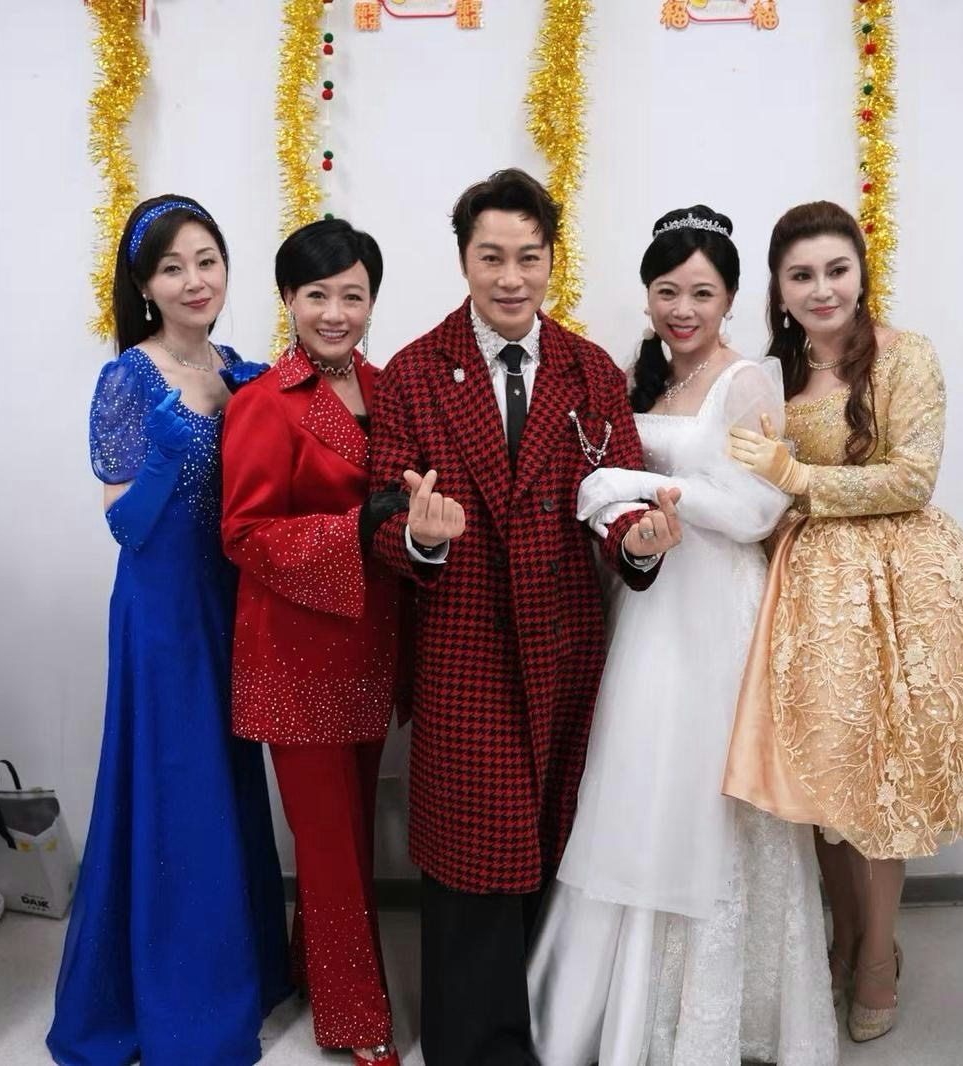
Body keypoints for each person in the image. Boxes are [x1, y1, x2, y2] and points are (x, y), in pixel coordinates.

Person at [723, 200, 963, 1043]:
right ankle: (843, 937)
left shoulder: (906, 355)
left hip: (897, 590)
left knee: (884, 787)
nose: (822, 288)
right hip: (807, 594)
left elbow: (913, 478)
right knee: (820, 782)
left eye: (836, 270)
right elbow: (756, 485)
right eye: (802, 275)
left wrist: (798, 477)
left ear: (861, 271)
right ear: (778, 287)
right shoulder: (773, 372)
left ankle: (878, 956)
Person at [364, 167, 682, 1065]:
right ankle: (469, 1047)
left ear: (551, 259)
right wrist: (418, 535)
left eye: (528, 257)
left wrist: (639, 543)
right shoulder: (416, 372)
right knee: (472, 855)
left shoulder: (590, 370)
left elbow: (616, 496)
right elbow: (383, 507)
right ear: (463, 259)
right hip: (464, 648)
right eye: (491, 257)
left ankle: (544, 1031)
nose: (511, 278)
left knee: (555, 845)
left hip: (566, 646)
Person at [527, 205, 838, 1065]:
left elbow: (757, 510)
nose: (683, 309)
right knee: (637, 774)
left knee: (708, 787)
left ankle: (715, 1014)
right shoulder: (640, 378)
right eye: (668, 291)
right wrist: (620, 498)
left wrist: (637, 483)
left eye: (702, 293)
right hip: (648, 600)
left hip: (717, 608)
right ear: (647, 296)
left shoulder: (749, 383)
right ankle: (615, 1010)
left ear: (731, 298)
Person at [48, 194, 289, 1065]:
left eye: (207, 261)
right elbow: (126, 525)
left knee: (229, 776)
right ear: (145, 286)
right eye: (173, 268)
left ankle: (243, 966)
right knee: (179, 785)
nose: (195, 281)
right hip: (163, 611)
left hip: (234, 600)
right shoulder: (130, 378)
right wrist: (161, 453)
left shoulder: (239, 368)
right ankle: (183, 1000)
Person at [219, 218, 405, 1066]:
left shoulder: (389, 389)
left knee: (350, 834)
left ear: (372, 301)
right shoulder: (263, 403)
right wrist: (352, 527)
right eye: (317, 295)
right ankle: (356, 1019)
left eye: (352, 296)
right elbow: (245, 533)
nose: (336, 313)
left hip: (371, 643)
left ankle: (311, 968)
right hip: (296, 656)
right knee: (328, 850)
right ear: (288, 300)